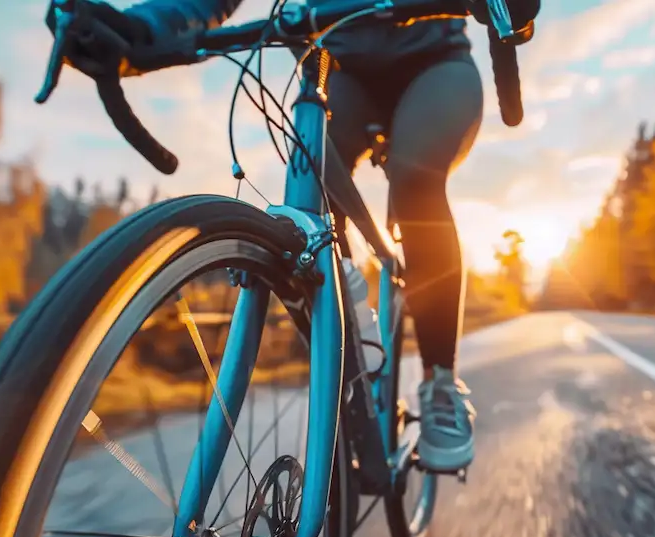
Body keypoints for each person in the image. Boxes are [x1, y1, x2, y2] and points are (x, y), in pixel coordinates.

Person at [49, 0, 538, 473]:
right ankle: (349, 341)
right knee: (309, 188)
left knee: (415, 179)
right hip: (334, 62)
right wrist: (133, 31)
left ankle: (439, 384)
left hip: (435, 60)